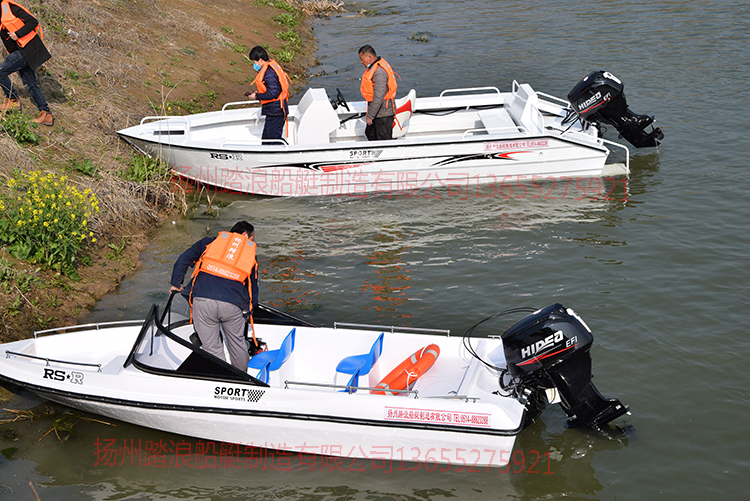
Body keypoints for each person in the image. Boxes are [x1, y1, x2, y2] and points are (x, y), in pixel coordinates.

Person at [170, 221, 259, 371]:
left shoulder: (208, 242)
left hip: (203, 301)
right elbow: (252, 289)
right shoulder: (249, 255)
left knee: (212, 348)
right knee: (237, 344)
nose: (251, 243)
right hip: (232, 305)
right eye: (252, 239)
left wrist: (176, 283)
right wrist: (248, 311)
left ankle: (222, 378)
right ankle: (241, 381)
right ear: (244, 236)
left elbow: (183, 260)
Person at [0, 0, 53, 125]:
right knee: (30, 84)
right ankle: (46, 114)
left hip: (25, 51)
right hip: (21, 52)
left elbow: (33, 21)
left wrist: (17, 34)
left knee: (1, 72)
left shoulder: (11, 8)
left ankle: (13, 99)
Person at [244, 46, 291, 143]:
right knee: (266, 139)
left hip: (276, 111)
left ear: (260, 60)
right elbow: (273, 89)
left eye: (254, 62)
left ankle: (285, 155)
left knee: (273, 139)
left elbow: (273, 93)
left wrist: (256, 97)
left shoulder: (269, 73)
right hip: (273, 110)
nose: (254, 65)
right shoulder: (269, 69)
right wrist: (258, 93)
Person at [358, 45, 398, 141]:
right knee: (370, 133)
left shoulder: (379, 72)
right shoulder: (374, 68)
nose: (361, 61)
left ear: (369, 58)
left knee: (383, 141)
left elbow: (379, 96)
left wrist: (370, 116)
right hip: (378, 113)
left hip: (383, 114)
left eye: (362, 59)